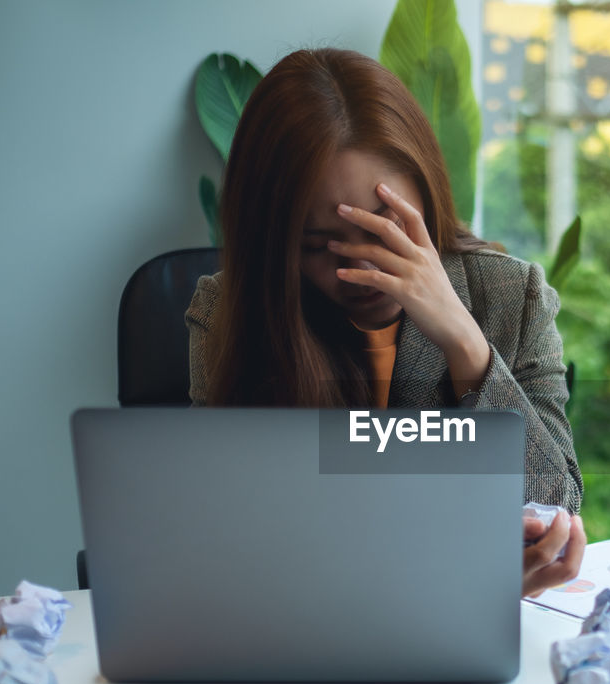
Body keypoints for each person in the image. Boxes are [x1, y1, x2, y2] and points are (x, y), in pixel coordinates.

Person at [184, 48, 585, 597]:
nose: (360, 272)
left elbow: (557, 504)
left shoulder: (511, 298)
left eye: (382, 231)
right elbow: (219, 531)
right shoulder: (230, 313)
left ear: (426, 189)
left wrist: (465, 342)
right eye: (317, 245)